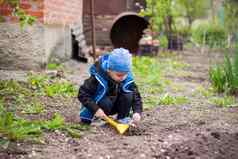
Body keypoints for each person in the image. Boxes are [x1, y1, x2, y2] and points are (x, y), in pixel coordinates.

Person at [78, 48, 143, 126]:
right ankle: (98, 118)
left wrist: (137, 112)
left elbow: (136, 97)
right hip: (98, 108)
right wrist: (95, 109)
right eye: (119, 75)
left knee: (129, 95)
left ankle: (122, 118)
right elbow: (82, 94)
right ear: (109, 70)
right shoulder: (97, 78)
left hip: (113, 105)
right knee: (105, 102)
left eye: (126, 74)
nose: (123, 78)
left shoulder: (126, 78)